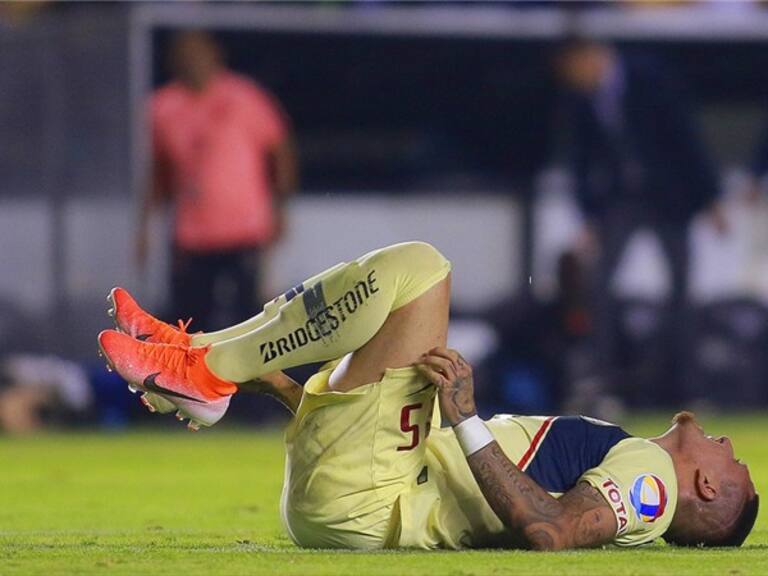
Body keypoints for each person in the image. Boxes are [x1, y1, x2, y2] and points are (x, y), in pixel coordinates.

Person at [98, 241, 757, 550]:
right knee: (388, 287)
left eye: (740, 465)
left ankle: (204, 368)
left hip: (371, 500)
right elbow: (390, 447)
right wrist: (270, 385)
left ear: (709, 493)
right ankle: (201, 359)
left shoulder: (653, 481)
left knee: (420, 270)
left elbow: (554, 533)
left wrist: (467, 421)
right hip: (361, 496)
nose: (733, 447)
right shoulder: (631, 455)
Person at [555, 38, 727, 394]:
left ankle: (685, 383)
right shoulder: (583, 99)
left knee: (680, 289)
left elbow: (686, 138)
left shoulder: (649, 78)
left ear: (590, 57)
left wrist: (711, 199)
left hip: (669, 200)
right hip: (620, 200)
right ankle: (602, 378)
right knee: (598, 284)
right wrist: (587, 217)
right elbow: (581, 159)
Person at [139, 31, 298, 330]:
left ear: (215, 56)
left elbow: (280, 149)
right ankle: (192, 377)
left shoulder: (245, 97)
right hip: (192, 235)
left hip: (245, 230)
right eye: (184, 56)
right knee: (190, 320)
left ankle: (247, 378)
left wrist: (282, 209)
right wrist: (145, 227)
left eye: (198, 54)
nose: (192, 62)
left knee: (250, 318)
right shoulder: (162, 107)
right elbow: (157, 171)